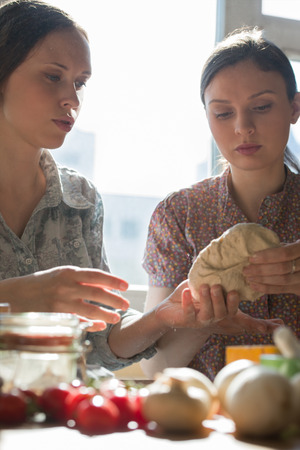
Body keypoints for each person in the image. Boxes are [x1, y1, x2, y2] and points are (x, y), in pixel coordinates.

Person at [0, 0, 256, 375]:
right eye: (53, 76)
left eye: (80, 82)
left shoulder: (82, 199)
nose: (72, 98)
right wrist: (21, 296)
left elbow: (102, 342)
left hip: (55, 421)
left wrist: (163, 316)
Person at [141, 26, 300, 380]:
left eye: (261, 106)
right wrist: (204, 322)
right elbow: (156, 368)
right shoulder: (179, 215)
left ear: (294, 107)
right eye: (223, 113)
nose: (244, 127)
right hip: (206, 421)